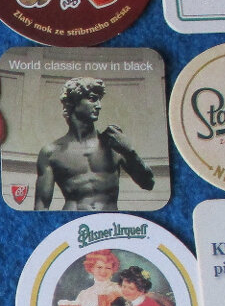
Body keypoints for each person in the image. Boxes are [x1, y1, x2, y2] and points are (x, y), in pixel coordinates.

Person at [34, 78, 155, 211]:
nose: (99, 105)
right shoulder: (51, 152)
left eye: (99, 100)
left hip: (109, 221)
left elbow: (148, 183)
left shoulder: (113, 143)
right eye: (92, 99)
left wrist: (129, 151)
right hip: (73, 221)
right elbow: (41, 207)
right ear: (74, 101)